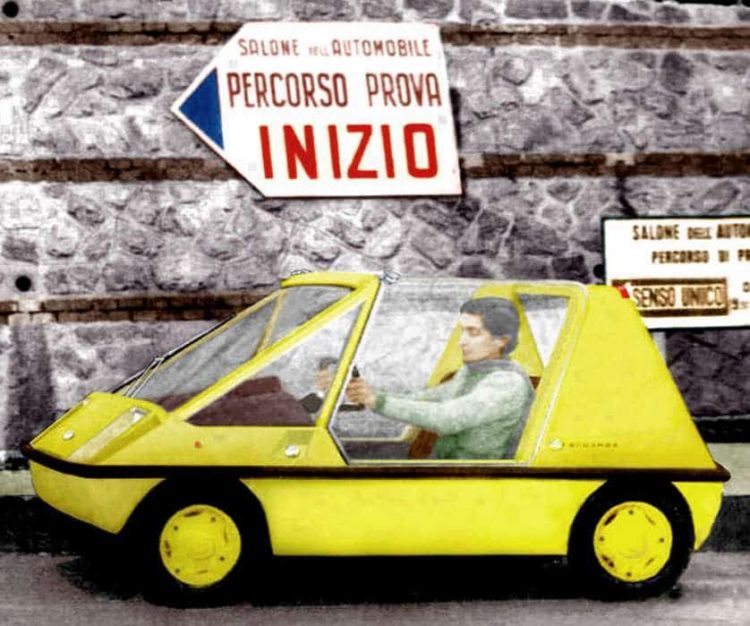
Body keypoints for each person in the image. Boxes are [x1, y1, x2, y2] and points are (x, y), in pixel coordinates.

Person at [346, 297, 534, 459]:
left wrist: (377, 401)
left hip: (476, 479)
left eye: (473, 332)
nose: (461, 342)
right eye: (463, 331)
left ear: (501, 340)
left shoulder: (507, 382)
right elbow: (427, 398)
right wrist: (371, 394)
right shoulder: (474, 372)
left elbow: (447, 419)